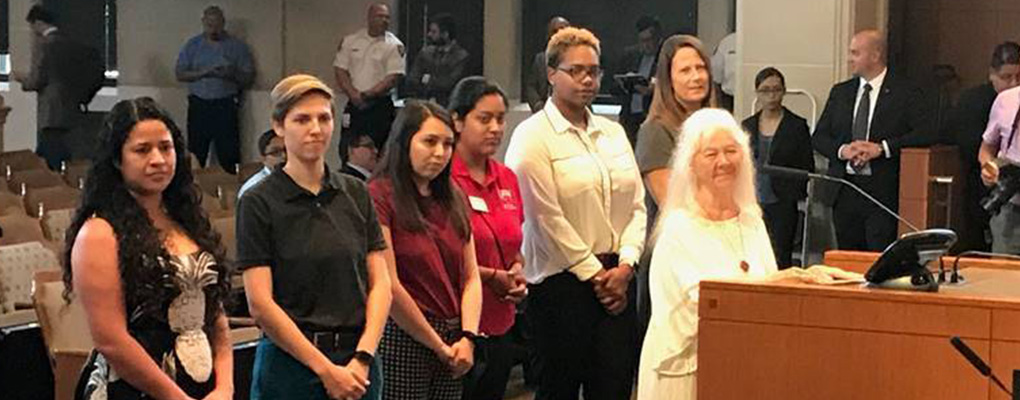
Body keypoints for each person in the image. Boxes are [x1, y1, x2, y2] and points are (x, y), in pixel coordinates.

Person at [637, 108, 847, 399]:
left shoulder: (750, 219)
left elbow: (766, 291)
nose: (723, 162)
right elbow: (712, 300)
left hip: (743, 364)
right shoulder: (679, 228)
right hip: (689, 372)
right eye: (711, 154)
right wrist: (790, 278)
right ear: (691, 165)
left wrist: (804, 280)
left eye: (731, 151)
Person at [505, 27, 646, 400]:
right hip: (561, 285)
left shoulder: (613, 133)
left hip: (618, 276)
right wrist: (597, 276)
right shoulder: (532, 135)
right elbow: (543, 218)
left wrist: (626, 266)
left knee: (614, 386)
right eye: (576, 70)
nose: (587, 79)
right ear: (552, 73)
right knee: (559, 389)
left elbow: (636, 204)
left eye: (594, 71)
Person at [65, 97, 233, 399]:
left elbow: (213, 313)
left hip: (202, 384)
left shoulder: (186, 221)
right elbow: (111, 340)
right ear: (118, 160)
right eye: (142, 150)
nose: (158, 159)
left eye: (166, 148)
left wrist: (225, 387)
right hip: (134, 389)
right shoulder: (99, 233)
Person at [237, 74, 391, 400]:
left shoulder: (356, 192)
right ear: (279, 126)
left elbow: (380, 283)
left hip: (358, 359)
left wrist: (363, 357)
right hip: (291, 363)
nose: (315, 128)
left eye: (324, 118)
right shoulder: (259, 200)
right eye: (302, 119)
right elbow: (260, 304)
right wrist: (325, 370)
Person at [369, 100, 483, 400]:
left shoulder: (453, 196)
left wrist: (468, 337)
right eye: (429, 142)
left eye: (447, 144)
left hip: (455, 335)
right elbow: (389, 285)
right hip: (403, 334)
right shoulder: (379, 195)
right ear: (405, 142)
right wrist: (438, 345)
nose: (440, 153)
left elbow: (471, 276)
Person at [812, 29, 933, 251]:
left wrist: (883, 148)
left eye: (856, 53)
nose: (850, 59)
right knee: (847, 257)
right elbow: (819, 137)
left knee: (879, 254)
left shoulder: (905, 92)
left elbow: (925, 132)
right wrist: (843, 151)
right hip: (845, 187)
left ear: (875, 55)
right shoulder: (841, 92)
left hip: (882, 189)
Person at [447, 77, 528, 400]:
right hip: (456, 326)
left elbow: (514, 244)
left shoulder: (506, 177)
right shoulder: (443, 178)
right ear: (457, 120)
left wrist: (517, 273)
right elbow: (440, 259)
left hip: (501, 324)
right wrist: (492, 277)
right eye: (484, 119)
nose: (495, 128)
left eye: (500, 119)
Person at [634, 34, 715, 335]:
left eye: (700, 67)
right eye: (685, 70)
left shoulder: (717, 124)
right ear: (667, 79)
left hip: (714, 252)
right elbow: (674, 205)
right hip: (675, 259)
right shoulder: (656, 130)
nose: (696, 77)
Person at [741, 67, 815, 268]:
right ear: (757, 93)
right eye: (765, 90)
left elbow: (807, 166)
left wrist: (794, 192)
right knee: (750, 253)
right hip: (751, 199)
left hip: (783, 200)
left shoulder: (796, 125)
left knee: (780, 255)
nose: (772, 95)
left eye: (777, 89)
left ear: (783, 91)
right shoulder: (747, 125)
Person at [950, 42, 1020, 252]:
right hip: (1009, 199)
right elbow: (985, 147)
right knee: (1003, 272)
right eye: (1007, 77)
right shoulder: (1004, 100)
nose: (1014, 83)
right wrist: (989, 166)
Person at [175, 5, 255, 174]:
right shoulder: (193, 46)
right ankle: (192, 192)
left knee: (229, 154)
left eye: (217, 25)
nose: (213, 29)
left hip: (225, 105)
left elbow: (248, 78)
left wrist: (231, 74)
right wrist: (205, 73)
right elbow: (180, 74)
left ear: (223, 24)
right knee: (196, 153)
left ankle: (231, 192)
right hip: (199, 105)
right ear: (203, 23)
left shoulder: (237, 47)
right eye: (210, 25)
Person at [15, 5, 94, 170]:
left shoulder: (46, 45)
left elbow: (38, 80)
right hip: (71, 108)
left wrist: (22, 80)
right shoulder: (71, 44)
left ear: (37, 22)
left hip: (52, 109)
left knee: (49, 157)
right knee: (63, 155)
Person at [334, 3, 406, 163]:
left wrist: (370, 94)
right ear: (369, 18)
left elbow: (393, 77)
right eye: (380, 16)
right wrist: (353, 94)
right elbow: (340, 70)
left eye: (387, 17)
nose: (384, 20)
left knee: (379, 149)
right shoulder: (351, 41)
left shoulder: (394, 45)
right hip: (354, 103)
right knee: (347, 145)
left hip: (378, 105)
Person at [615, 16, 662, 146]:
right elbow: (613, 87)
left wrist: (654, 89)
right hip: (630, 116)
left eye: (648, 40)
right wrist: (624, 84)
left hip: (651, 115)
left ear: (657, 39)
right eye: (641, 41)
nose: (645, 45)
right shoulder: (631, 56)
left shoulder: (664, 57)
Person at [407, 13, 470, 106]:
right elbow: (413, 78)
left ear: (445, 34)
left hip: (449, 105)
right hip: (424, 103)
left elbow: (450, 83)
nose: (429, 34)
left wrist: (428, 79)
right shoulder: (425, 53)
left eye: (434, 32)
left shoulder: (461, 56)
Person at [523, 16, 570, 113]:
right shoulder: (540, 59)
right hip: (544, 111)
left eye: (562, 30)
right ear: (548, 35)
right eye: (554, 31)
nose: (558, 35)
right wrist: (538, 106)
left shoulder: (578, 60)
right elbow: (531, 86)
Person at [238, 129, 285, 197]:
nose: (284, 156)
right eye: (276, 152)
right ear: (263, 158)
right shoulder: (254, 189)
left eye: (288, 151)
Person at [711, 32, 736, 111]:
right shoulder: (727, 42)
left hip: (757, 98)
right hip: (729, 99)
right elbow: (715, 78)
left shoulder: (761, 40)